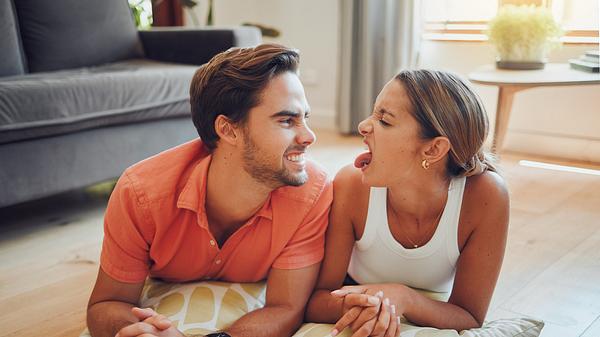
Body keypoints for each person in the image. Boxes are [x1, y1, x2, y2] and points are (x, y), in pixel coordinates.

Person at [86, 44, 333, 337]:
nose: (309, 135)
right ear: (228, 130)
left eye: (306, 117)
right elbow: (107, 304)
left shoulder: (311, 192)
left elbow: (286, 308)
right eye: (286, 120)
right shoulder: (140, 194)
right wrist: (141, 331)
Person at [306, 70, 509, 337]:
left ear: (434, 149)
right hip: (354, 299)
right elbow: (316, 301)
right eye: (373, 112)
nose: (364, 126)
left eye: (385, 121)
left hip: (431, 310)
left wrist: (404, 298)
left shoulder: (486, 197)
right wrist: (373, 304)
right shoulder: (352, 185)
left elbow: (469, 316)